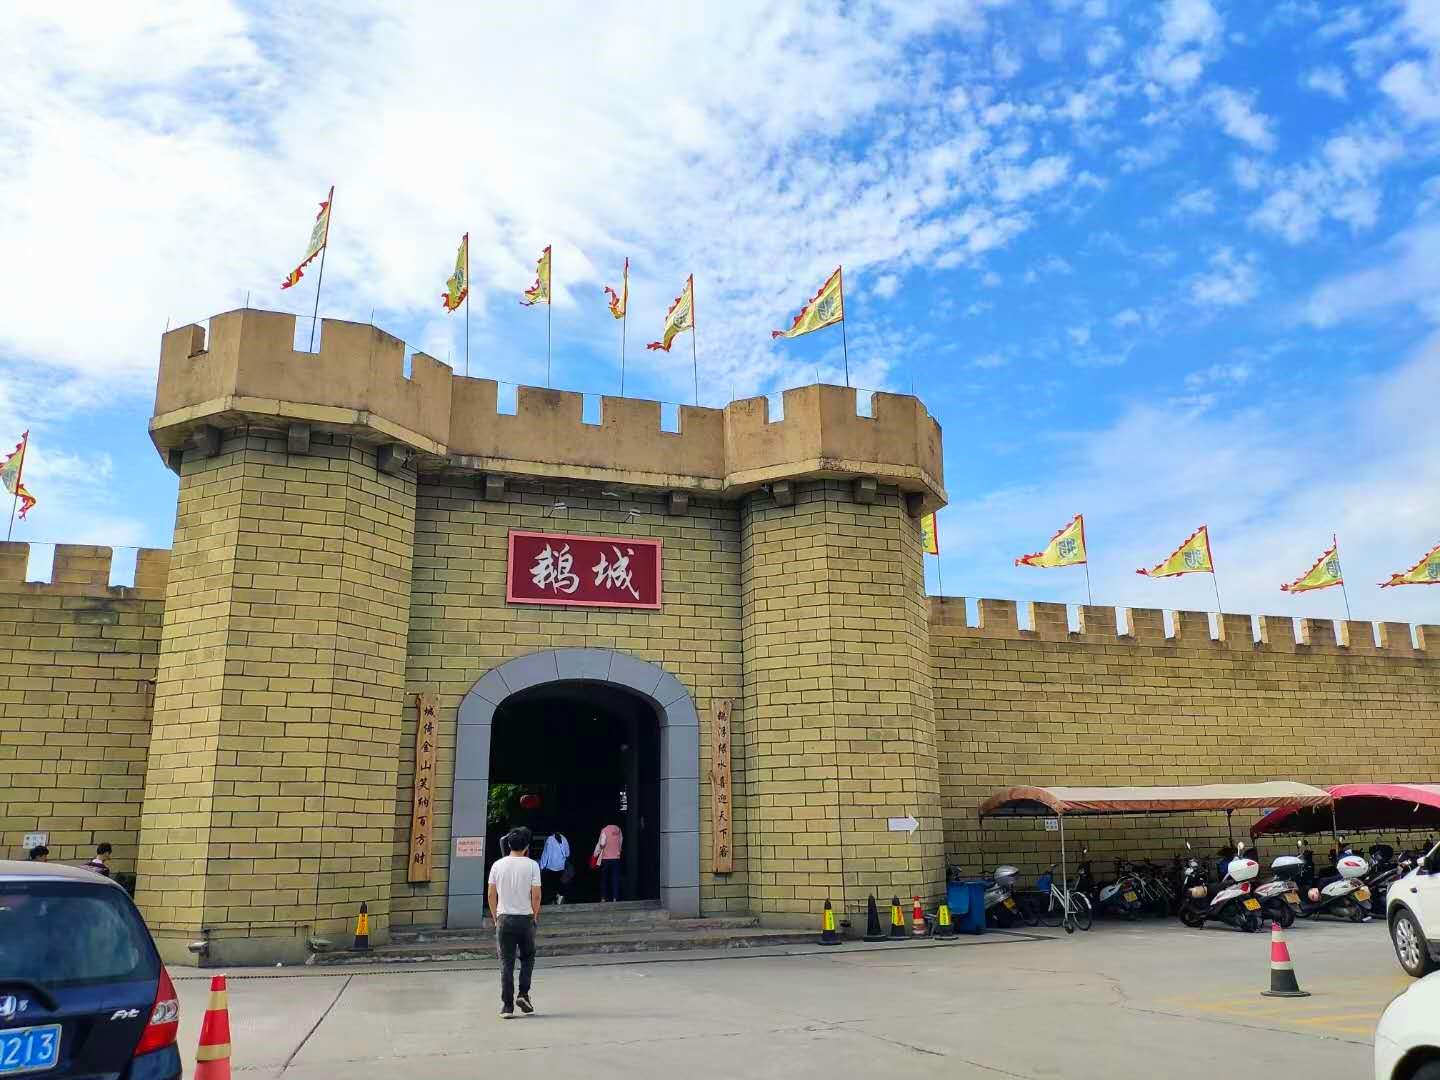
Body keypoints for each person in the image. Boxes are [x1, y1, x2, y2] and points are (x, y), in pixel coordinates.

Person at [487, 828, 541, 1020]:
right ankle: (523, 994)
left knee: (506, 962)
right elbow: (536, 896)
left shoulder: (497, 865)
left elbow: (491, 895)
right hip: (525, 918)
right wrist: (534, 917)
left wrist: (496, 918)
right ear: (527, 846)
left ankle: (507, 1006)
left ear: (509, 844)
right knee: (527, 958)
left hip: (504, 919)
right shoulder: (532, 865)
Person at [538, 831, 570, 905]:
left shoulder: (549, 839)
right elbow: (567, 853)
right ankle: (558, 898)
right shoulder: (564, 838)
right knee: (557, 884)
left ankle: (551, 901)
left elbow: (546, 854)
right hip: (561, 867)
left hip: (550, 868)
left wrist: (541, 866)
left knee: (549, 886)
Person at [596, 822, 623, 902]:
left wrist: (598, 850)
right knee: (615, 878)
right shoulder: (618, 829)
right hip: (616, 858)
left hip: (606, 858)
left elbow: (602, 844)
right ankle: (615, 898)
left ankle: (603, 898)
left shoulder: (604, 830)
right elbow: (621, 841)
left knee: (604, 879)